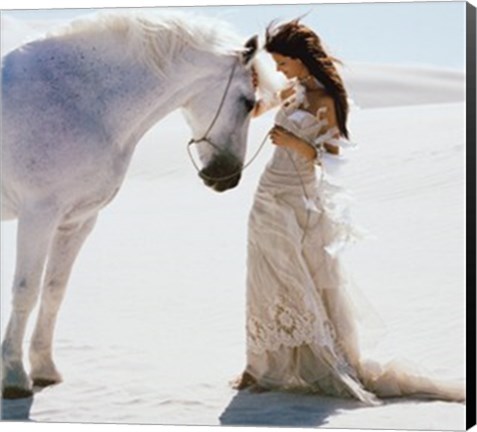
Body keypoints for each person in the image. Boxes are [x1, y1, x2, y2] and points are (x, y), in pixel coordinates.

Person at [235, 19, 465, 404]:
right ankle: (262, 368)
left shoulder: (325, 100)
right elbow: (256, 111)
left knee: (301, 277)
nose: (280, 71)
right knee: (266, 277)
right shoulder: (291, 90)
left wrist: (293, 141)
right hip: (268, 196)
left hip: (301, 201)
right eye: (275, 64)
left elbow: (331, 160)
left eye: (283, 63)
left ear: (301, 60)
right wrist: (253, 88)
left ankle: (314, 362)